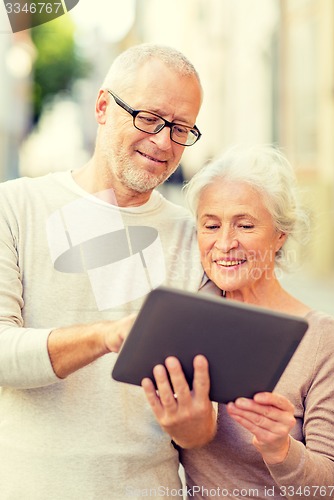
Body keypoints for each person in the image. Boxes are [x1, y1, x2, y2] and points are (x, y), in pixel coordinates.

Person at [0, 43, 216, 499]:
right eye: (150, 118)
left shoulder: (193, 236)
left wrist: (196, 425)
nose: (163, 142)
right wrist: (106, 335)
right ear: (102, 107)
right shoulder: (15, 206)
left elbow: (200, 426)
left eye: (181, 128)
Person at [142, 145, 334, 499]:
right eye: (211, 225)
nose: (225, 243)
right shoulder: (187, 323)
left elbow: (330, 486)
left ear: (280, 235)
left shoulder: (323, 339)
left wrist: (280, 449)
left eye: (245, 225)